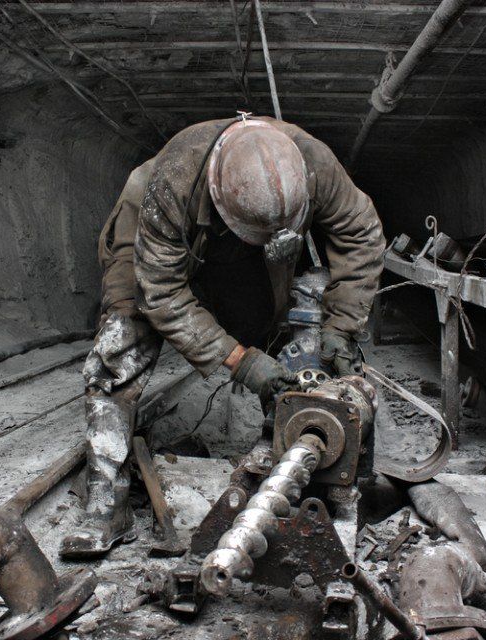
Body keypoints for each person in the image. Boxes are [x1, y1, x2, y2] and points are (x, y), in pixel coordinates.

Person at [61, 115, 385, 558]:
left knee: (272, 316)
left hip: (262, 232)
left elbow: (360, 234)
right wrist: (241, 362)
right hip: (155, 231)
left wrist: (341, 328)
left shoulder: (312, 163)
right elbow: (163, 292)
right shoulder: (171, 183)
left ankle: (293, 433)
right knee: (120, 345)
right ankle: (106, 504)